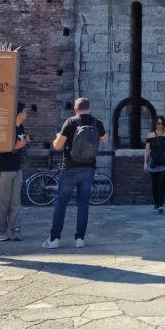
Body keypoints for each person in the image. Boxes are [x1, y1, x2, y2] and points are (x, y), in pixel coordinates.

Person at [43, 97, 107, 249]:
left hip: (70, 168)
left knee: (61, 203)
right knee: (83, 205)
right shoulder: (97, 122)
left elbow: (57, 146)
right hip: (89, 168)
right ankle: (80, 239)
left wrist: (58, 136)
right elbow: (104, 139)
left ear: (76, 109)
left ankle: (54, 240)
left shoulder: (70, 122)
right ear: (89, 108)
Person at [0, 102, 29, 242]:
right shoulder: (6, 127)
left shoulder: (21, 128)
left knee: (15, 202)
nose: (27, 114)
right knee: (2, 203)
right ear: (19, 113)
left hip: (16, 169)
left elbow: (19, 145)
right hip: (3, 170)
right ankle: (0, 233)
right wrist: (16, 146)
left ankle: (15, 231)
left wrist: (25, 140)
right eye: (25, 111)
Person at [144, 114, 165, 214]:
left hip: (163, 163)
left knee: (162, 184)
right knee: (155, 184)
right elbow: (147, 150)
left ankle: (160, 204)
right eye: (158, 123)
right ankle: (156, 203)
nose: (159, 125)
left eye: (161, 123)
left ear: (164, 123)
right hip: (153, 162)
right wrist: (145, 163)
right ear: (155, 124)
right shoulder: (150, 135)